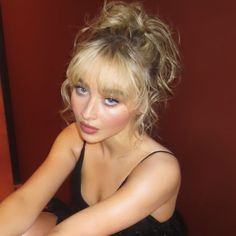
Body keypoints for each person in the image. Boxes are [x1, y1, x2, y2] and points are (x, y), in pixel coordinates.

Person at [0, 1, 187, 235]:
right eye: (82, 89)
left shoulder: (160, 170)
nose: (87, 113)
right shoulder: (75, 139)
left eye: (111, 100)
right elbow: (24, 202)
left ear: (142, 103)